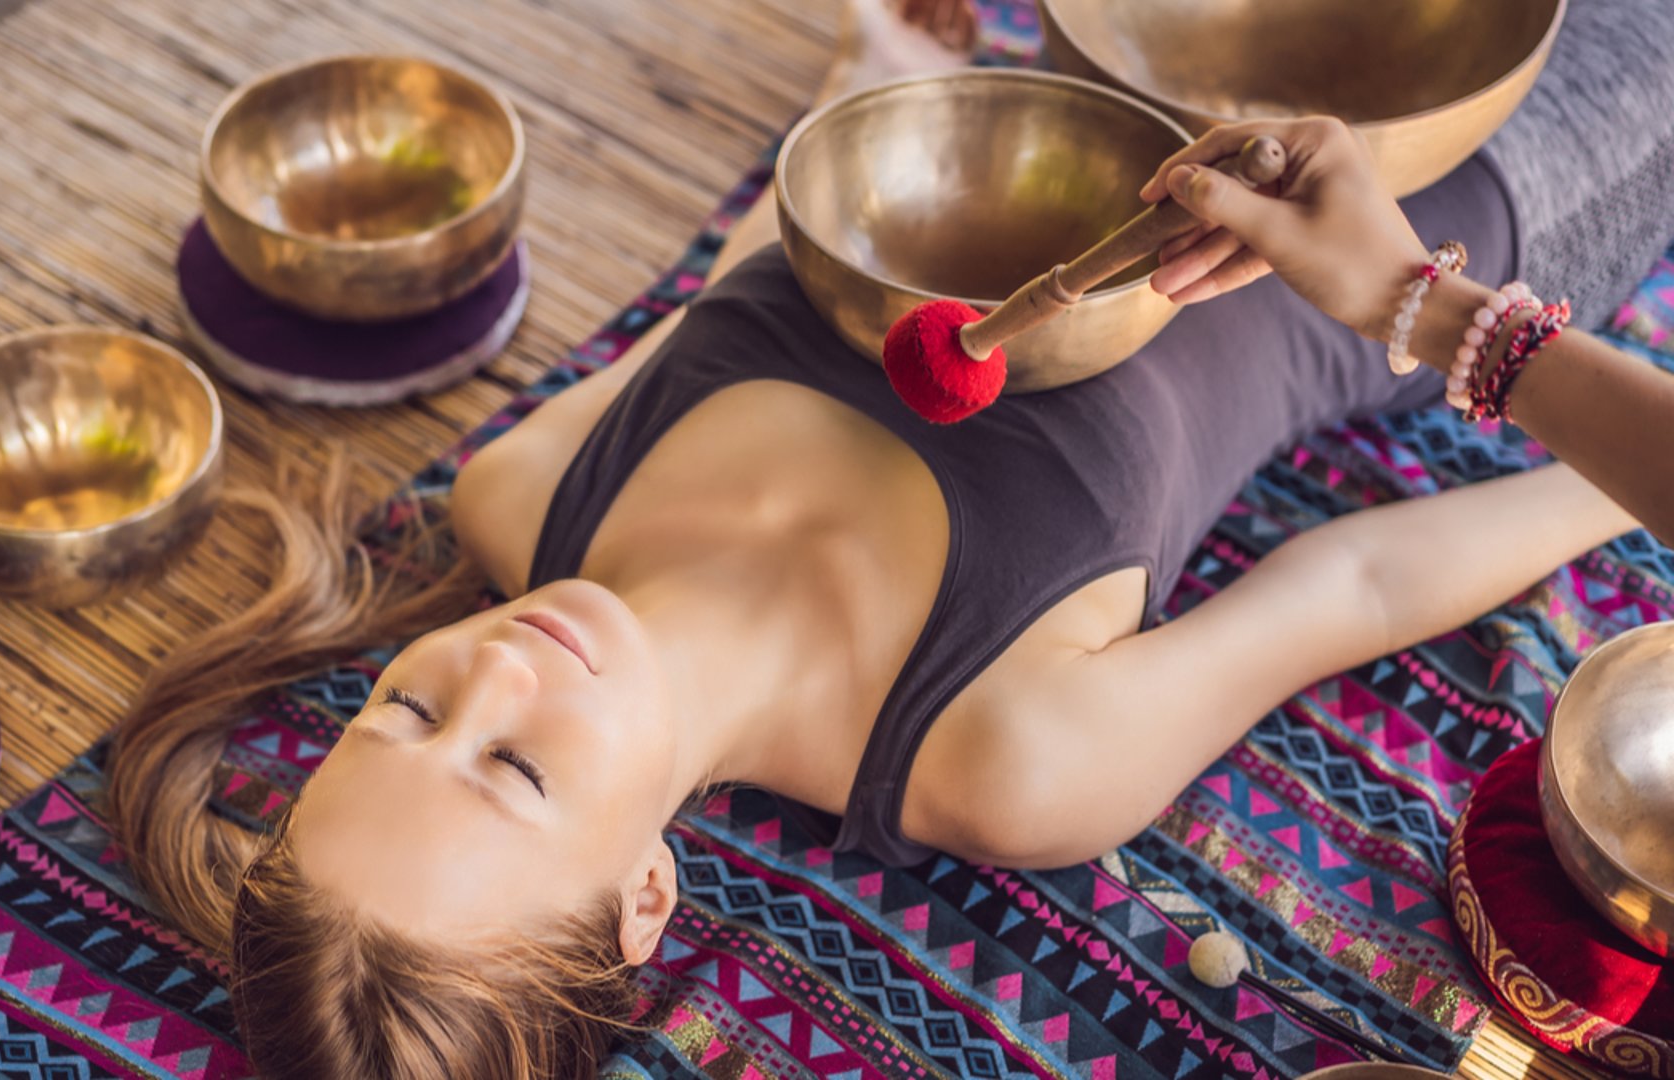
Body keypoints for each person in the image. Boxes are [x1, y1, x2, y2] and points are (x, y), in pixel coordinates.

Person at [104, 0, 1674, 1076]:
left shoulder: (520, 495)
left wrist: (868, 80)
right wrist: (1636, 468)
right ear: (645, 898)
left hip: (1120, 50)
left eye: (404, 713)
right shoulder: (1003, 760)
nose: (493, 677)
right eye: (515, 773)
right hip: (1461, 183)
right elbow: (1355, 579)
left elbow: (747, 257)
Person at [1139, 115, 1674, 544]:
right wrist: (1408, 299)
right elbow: (1370, 585)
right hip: (1509, 202)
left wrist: (1405, 297)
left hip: (1476, 204)